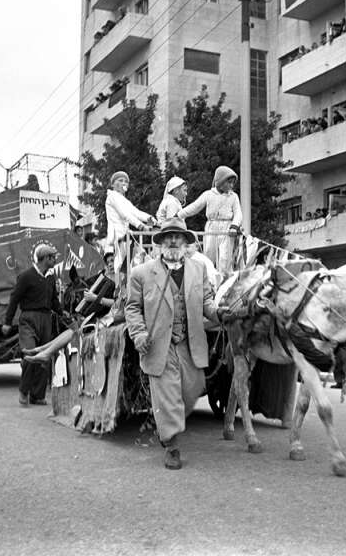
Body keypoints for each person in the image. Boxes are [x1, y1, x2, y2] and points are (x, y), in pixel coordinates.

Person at [125, 218, 230, 470]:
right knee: (168, 395)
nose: (173, 240)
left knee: (193, 388)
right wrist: (138, 334)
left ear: (185, 242)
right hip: (158, 345)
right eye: (168, 236)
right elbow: (132, 308)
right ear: (161, 242)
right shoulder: (141, 273)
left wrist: (219, 313)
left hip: (189, 343)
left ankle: (166, 424)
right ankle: (171, 446)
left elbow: (206, 302)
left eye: (178, 236)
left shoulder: (198, 269)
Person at [2, 244, 63, 406]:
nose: (55, 260)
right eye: (52, 257)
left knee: (44, 357)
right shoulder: (26, 276)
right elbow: (14, 299)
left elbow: (54, 301)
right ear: (45, 258)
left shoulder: (50, 278)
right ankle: (24, 391)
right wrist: (7, 322)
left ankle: (37, 395)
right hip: (28, 319)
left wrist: (63, 313)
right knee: (29, 354)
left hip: (46, 320)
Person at [177, 165, 242, 276]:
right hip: (211, 227)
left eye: (232, 183)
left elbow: (238, 213)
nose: (231, 186)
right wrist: (178, 215)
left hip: (227, 229)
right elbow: (195, 207)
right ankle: (207, 279)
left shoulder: (233, 196)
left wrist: (234, 226)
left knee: (225, 258)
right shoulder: (208, 194)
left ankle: (224, 279)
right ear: (220, 181)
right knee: (208, 255)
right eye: (229, 182)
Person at [105, 171, 156, 257]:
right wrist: (141, 226)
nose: (123, 183)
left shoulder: (124, 200)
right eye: (120, 180)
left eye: (126, 181)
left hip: (126, 236)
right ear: (112, 184)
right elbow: (124, 214)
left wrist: (152, 219)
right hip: (117, 238)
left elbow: (136, 212)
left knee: (141, 258)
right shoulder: (112, 196)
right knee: (125, 263)